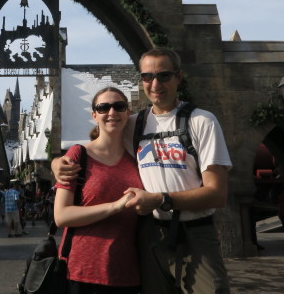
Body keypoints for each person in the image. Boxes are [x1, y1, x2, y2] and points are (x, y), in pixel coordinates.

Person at [53, 47, 232, 294]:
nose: (155, 83)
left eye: (164, 76)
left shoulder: (201, 121)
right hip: (149, 237)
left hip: (194, 231)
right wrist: (58, 163)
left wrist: (161, 199)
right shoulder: (134, 124)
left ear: (179, 77)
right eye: (148, 76)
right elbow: (100, 137)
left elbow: (217, 194)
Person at [54, 87, 143, 294]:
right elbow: (61, 215)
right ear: (94, 115)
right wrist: (115, 206)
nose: (112, 112)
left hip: (127, 273)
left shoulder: (138, 159)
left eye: (119, 106)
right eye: (103, 108)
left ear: (127, 113)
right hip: (82, 272)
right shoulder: (79, 155)